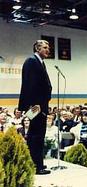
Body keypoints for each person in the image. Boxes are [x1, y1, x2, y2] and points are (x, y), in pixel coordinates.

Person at [18, 40, 52, 175]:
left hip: (40, 105)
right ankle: (36, 166)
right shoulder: (31, 61)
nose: (48, 50)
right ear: (37, 49)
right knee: (36, 136)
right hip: (36, 106)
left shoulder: (40, 62)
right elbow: (29, 85)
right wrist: (35, 106)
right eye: (45, 47)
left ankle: (37, 163)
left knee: (37, 136)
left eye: (48, 47)